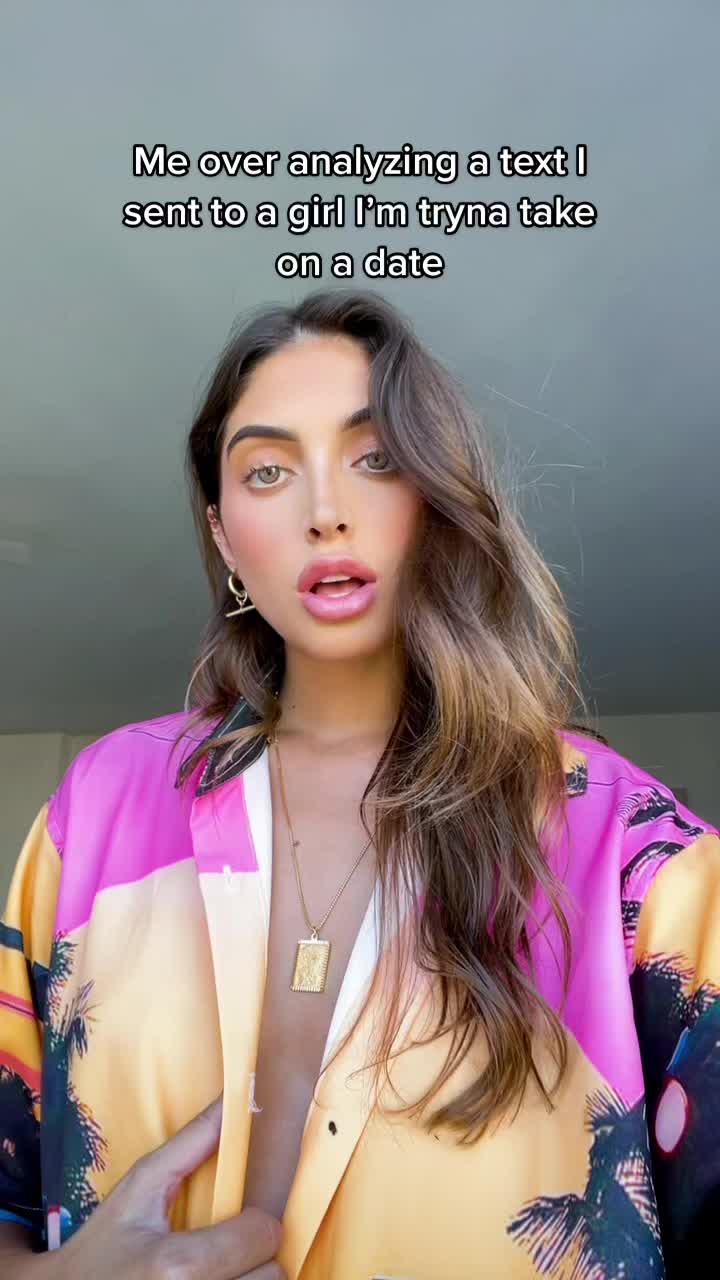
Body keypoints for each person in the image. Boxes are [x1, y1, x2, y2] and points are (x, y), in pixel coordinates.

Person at [1, 288, 718, 1279]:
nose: (325, 511)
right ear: (224, 535)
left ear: (435, 495)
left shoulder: (629, 844)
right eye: (267, 471)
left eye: (375, 457)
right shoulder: (100, 808)